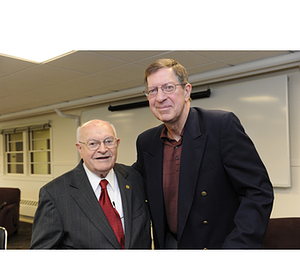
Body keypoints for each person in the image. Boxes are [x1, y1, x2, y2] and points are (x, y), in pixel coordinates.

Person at [133, 58, 274, 249]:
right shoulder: (146, 142)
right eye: (153, 90)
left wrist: (236, 247)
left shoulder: (221, 125)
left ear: (187, 91)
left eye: (168, 87)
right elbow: (130, 183)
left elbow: (258, 192)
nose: (159, 97)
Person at [30, 120, 151, 249]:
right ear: (80, 149)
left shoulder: (135, 178)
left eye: (109, 141)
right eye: (93, 144)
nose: (103, 149)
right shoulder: (55, 194)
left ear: (117, 144)